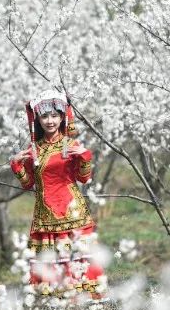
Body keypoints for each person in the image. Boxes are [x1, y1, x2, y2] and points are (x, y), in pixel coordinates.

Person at [10, 90, 105, 299]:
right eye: (44, 116)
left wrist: (85, 158)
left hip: (72, 214)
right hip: (45, 216)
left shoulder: (72, 145)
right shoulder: (33, 148)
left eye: (54, 115)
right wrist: (16, 165)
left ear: (62, 117)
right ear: (38, 119)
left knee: (79, 266)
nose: (50, 121)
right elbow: (28, 184)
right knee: (50, 276)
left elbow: (83, 178)